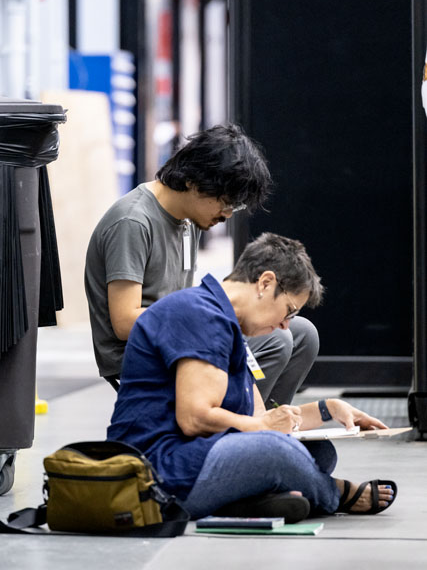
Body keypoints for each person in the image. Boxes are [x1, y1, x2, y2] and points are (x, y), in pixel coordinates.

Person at [107, 233, 397, 520]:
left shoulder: (227, 322)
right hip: (159, 469)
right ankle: (335, 494)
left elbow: (260, 415)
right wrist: (264, 426)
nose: (285, 325)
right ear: (266, 283)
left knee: (319, 453)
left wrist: (327, 410)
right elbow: (194, 419)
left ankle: (244, 500)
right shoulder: (198, 313)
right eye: (288, 311)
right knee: (278, 453)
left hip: (196, 454)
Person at [85, 123, 319, 404]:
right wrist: (211, 320)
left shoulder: (188, 219)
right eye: (226, 202)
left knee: (303, 334)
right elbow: (124, 322)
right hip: (141, 353)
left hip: (180, 337)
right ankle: (229, 433)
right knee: (276, 341)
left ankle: (265, 430)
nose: (228, 213)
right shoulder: (133, 222)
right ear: (194, 182)